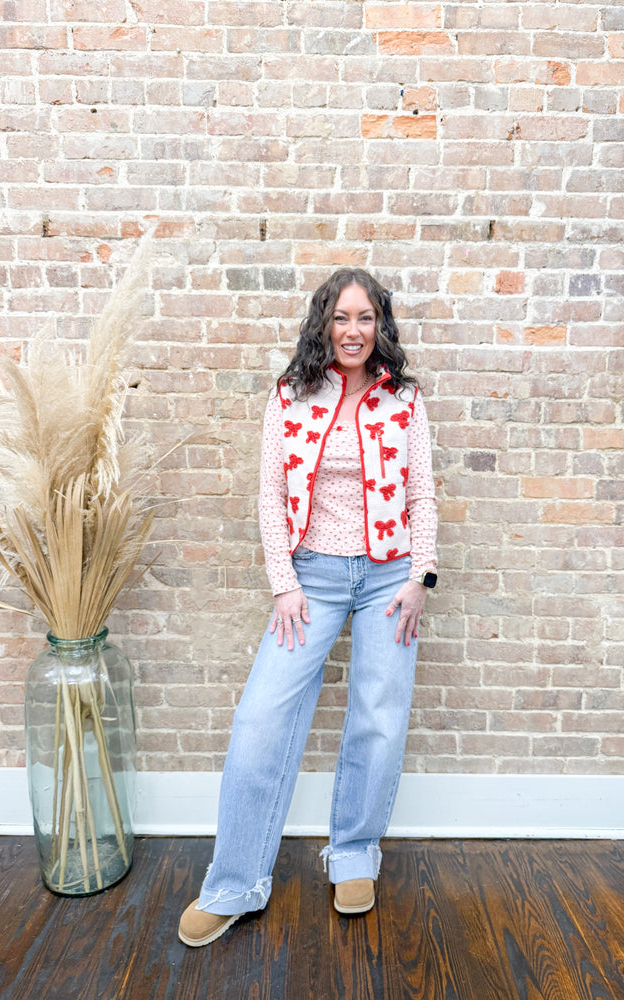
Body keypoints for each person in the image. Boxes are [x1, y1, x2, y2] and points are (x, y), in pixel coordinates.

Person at [178, 268, 438, 947]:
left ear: (381, 327)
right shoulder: (290, 395)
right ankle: (234, 883)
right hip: (312, 579)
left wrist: (421, 575)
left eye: (367, 319)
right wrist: (284, 583)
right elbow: (270, 496)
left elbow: (421, 497)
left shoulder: (404, 400)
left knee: (378, 717)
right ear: (323, 322)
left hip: (389, 578)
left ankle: (354, 857)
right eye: (342, 318)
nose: (354, 331)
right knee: (263, 717)